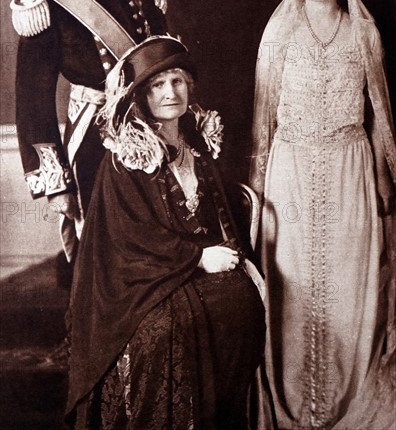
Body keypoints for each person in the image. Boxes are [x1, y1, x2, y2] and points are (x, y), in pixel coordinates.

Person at [65, 36, 267, 429]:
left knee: (239, 301)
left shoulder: (197, 145)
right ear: (141, 96)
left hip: (184, 267)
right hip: (133, 280)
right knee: (165, 329)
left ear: (190, 87)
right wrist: (198, 258)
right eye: (157, 85)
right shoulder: (126, 156)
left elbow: (220, 215)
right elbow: (130, 237)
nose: (170, 92)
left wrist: (239, 256)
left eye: (177, 81)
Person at [249, 0, 396, 429]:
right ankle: (293, 402)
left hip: (350, 170)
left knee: (351, 285)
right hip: (289, 172)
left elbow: (377, 116)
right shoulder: (278, 36)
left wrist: (381, 180)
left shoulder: (364, 34)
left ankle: (348, 400)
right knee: (293, 285)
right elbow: (263, 122)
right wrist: (259, 190)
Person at [11, 0, 168, 264]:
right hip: (93, 143)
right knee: (102, 251)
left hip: (150, 131)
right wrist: (56, 185)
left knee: (157, 241)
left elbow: (166, 70)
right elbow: (33, 103)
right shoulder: (47, 5)